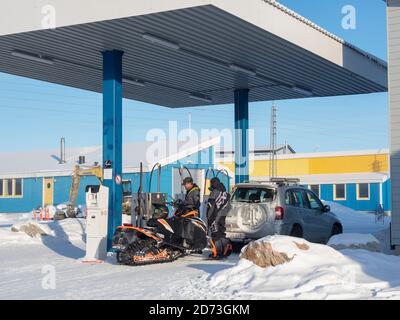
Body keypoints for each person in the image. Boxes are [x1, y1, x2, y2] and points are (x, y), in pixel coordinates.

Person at [206, 177, 232, 259]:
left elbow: (210, 206)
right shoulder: (226, 193)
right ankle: (224, 252)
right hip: (223, 216)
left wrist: (209, 218)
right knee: (221, 233)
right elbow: (229, 206)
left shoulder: (214, 192)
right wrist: (223, 214)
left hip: (215, 216)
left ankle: (216, 253)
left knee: (215, 234)